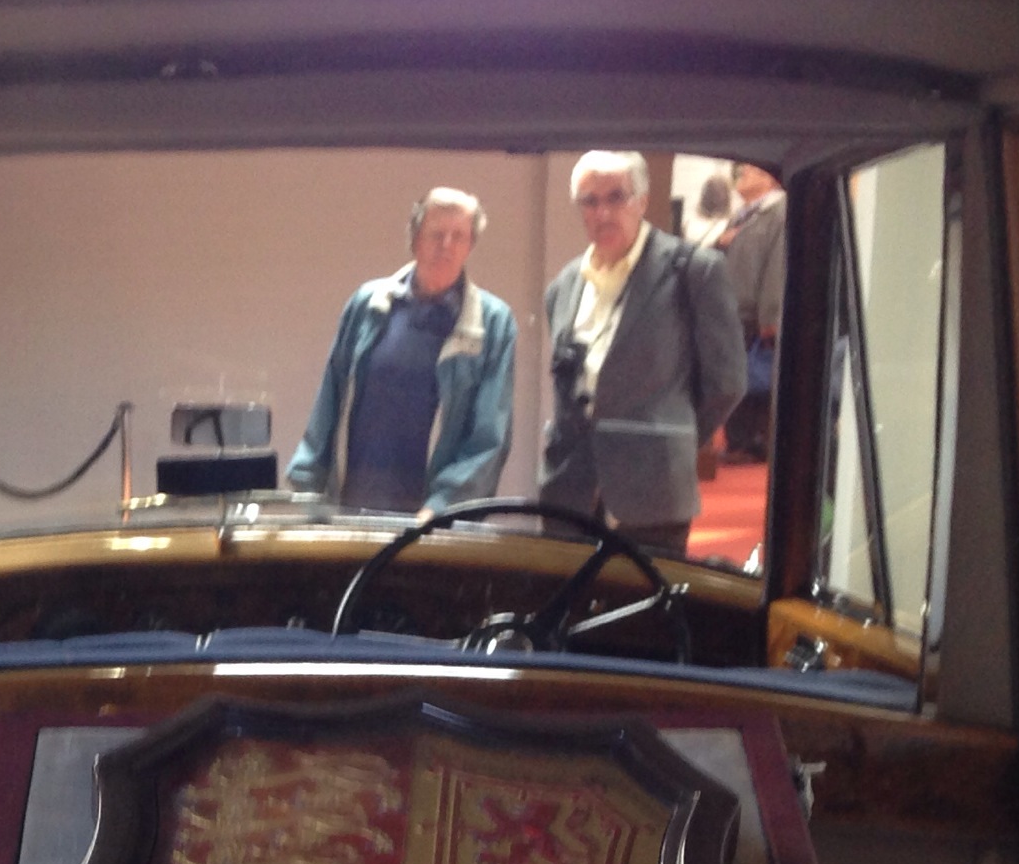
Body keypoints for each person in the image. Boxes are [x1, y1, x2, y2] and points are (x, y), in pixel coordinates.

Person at [538, 150, 744, 558]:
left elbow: (726, 384)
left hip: (653, 492)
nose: (603, 213)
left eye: (616, 197)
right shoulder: (563, 286)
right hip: (569, 489)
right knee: (565, 595)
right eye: (590, 201)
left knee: (641, 598)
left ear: (643, 201)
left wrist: (669, 437)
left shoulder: (694, 271)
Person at [287, 187, 516, 515]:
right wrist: (306, 489)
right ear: (415, 238)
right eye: (436, 234)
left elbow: (489, 439)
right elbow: (328, 402)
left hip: (431, 523)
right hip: (351, 512)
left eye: (459, 236)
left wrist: (441, 508)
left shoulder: (494, 323)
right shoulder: (366, 305)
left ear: (470, 246)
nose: (446, 245)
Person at [718, 162, 787, 463]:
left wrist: (771, 316)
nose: (743, 172)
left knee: (754, 376)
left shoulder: (780, 212)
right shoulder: (745, 214)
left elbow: (777, 266)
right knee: (734, 375)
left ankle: (751, 441)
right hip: (731, 309)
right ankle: (740, 440)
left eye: (752, 170)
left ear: (770, 179)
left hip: (751, 313)